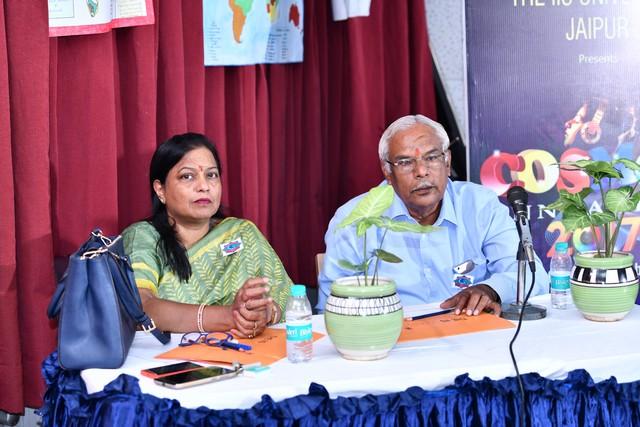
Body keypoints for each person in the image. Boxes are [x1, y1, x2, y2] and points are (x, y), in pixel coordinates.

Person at [317, 115, 548, 315]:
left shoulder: (479, 205)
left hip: (472, 335)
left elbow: (533, 276)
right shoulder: (355, 220)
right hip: (391, 341)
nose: (421, 171)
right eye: (405, 162)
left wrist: (491, 290)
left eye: (431, 158)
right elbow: (332, 307)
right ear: (387, 171)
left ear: (447, 162)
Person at [123, 133, 291, 338]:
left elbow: (288, 298)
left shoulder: (241, 234)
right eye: (187, 176)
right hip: (171, 354)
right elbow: (140, 306)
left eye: (211, 175)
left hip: (246, 349)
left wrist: (266, 313)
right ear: (161, 190)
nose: (204, 186)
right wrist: (229, 316)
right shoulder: (143, 237)